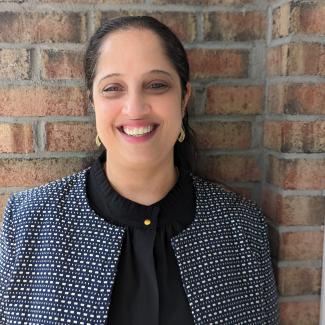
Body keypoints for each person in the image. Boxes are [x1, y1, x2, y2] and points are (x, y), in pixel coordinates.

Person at [0, 16, 279, 325]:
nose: (135, 108)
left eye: (156, 85)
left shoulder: (242, 227)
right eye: (112, 88)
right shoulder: (29, 221)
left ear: (183, 98)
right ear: (91, 101)